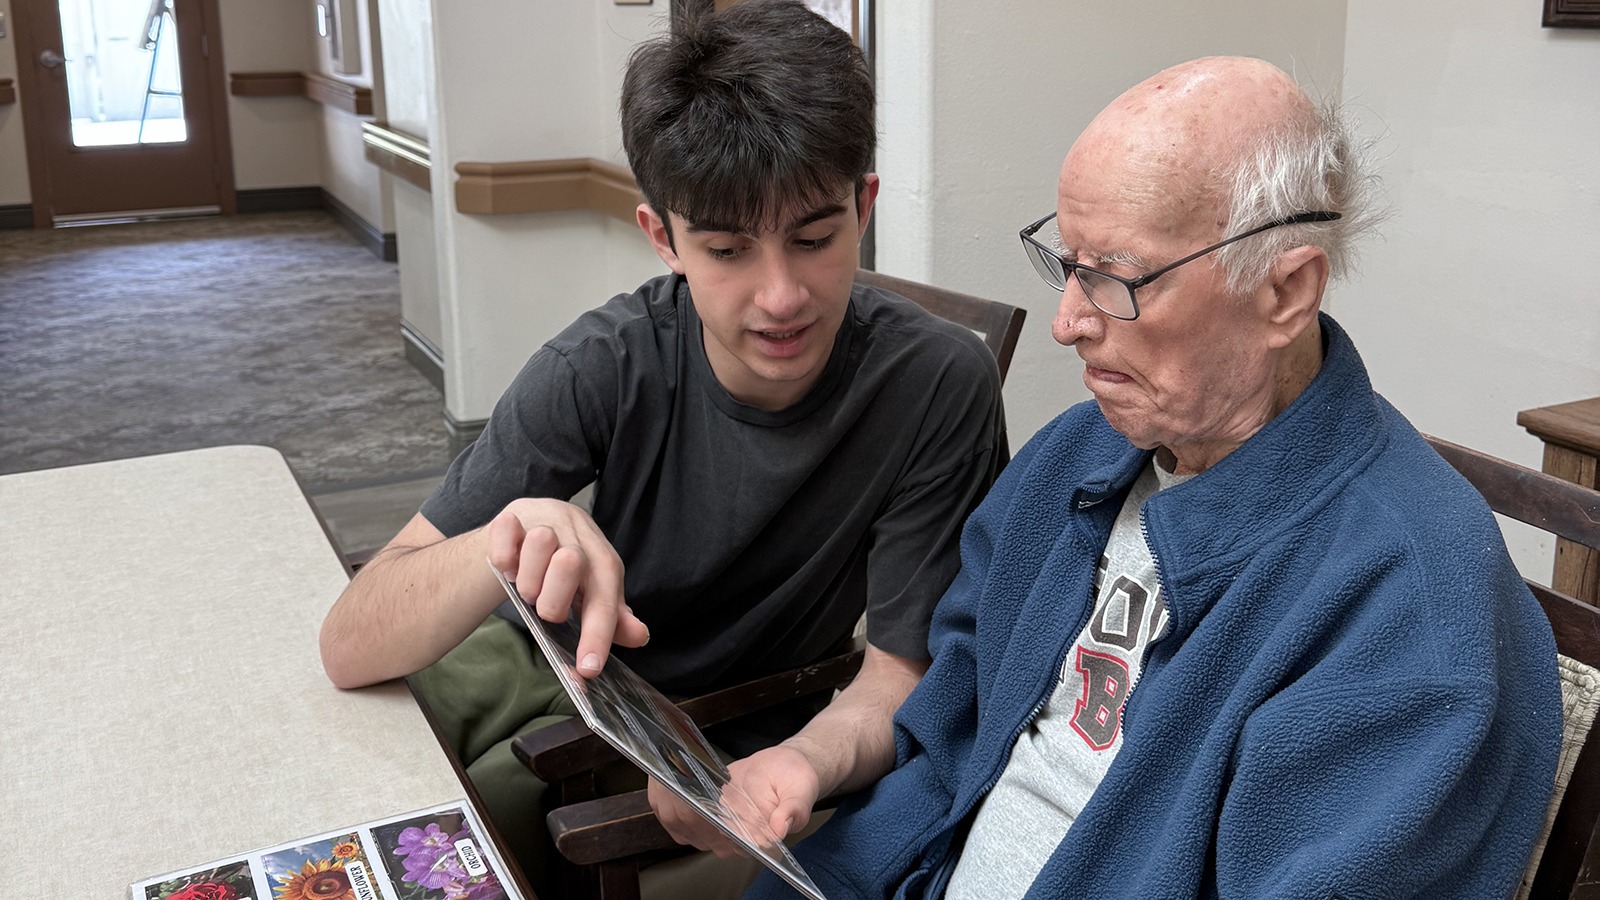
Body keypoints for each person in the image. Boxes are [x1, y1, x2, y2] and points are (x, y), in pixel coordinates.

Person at [743, 56, 1562, 899]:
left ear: (1287, 291)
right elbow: (948, 723)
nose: (1067, 323)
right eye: (1067, 263)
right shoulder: (1082, 453)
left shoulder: (1414, 607)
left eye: (1115, 278)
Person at [315, 0, 1007, 891]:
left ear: (863, 206)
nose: (781, 295)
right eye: (727, 249)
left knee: (450, 837)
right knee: (342, 794)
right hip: (539, 660)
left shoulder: (936, 383)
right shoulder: (602, 362)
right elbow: (348, 640)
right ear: (663, 239)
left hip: (719, 722)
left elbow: (901, 676)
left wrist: (802, 763)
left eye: (816, 238)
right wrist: (501, 541)